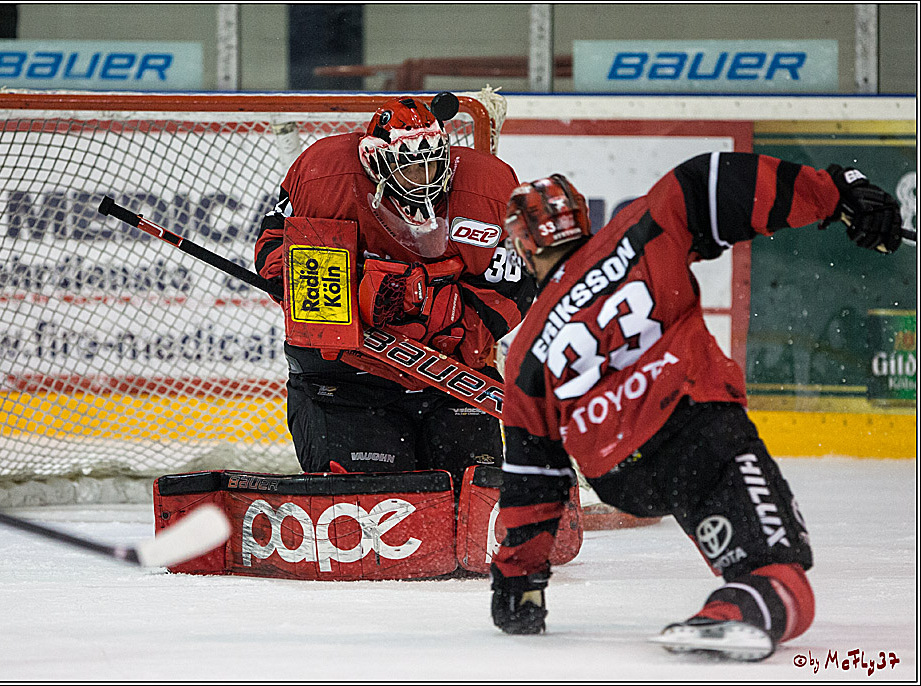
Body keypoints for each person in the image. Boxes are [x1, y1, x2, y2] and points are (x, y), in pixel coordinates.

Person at [488, 154, 904, 660]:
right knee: (779, 573)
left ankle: (737, 584)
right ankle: (743, 605)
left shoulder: (526, 349)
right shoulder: (641, 226)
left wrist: (518, 579)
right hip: (696, 432)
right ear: (582, 216)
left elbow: (532, 476)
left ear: (524, 247)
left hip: (623, 478)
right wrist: (837, 192)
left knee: (690, 491)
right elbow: (722, 183)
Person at [254, 93, 535, 496]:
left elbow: (518, 280)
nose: (426, 177)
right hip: (346, 380)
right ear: (377, 161)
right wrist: (343, 296)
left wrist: (449, 325)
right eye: (412, 167)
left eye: (433, 163)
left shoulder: (488, 187)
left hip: (451, 376)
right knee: (372, 500)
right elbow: (273, 248)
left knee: (471, 496)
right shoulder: (324, 175)